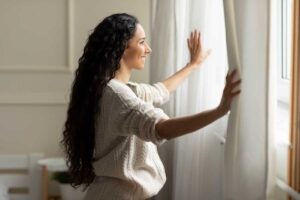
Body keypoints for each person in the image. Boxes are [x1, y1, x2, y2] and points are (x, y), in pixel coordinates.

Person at [61, 13, 241, 200]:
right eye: (142, 42)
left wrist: (193, 65)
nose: (148, 49)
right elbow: (161, 128)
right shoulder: (117, 96)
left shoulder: (111, 88)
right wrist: (220, 110)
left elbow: (159, 91)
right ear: (122, 47)